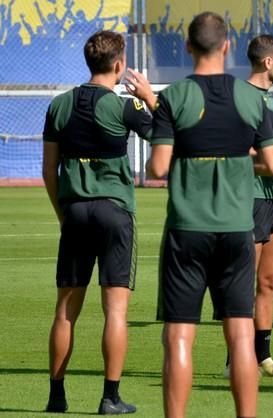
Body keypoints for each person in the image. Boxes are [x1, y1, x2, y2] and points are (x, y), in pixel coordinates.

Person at [127, 12, 273, 418]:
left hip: (187, 230)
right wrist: (234, 157)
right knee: (241, 333)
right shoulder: (251, 98)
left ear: (188, 47)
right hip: (236, 229)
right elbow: (271, 164)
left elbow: (157, 168)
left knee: (178, 335)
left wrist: (192, 153)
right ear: (227, 47)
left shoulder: (174, 96)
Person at [42, 30, 152, 414]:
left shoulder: (59, 105)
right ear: (119, 65)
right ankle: (110, 397)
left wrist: (63, 215)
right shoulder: (124, 107)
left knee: (65, 311)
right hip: (115, 212)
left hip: (74, 212)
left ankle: (56, 397)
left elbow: (48, 171)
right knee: (116, 311)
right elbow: (163, 136)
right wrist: (148, 98)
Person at [223, 34, 273, 379]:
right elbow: (237, 145)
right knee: (242, 284)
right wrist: (270, 161)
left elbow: (269, 144)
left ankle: (264, 357)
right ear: (268, 62)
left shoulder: (268, 101)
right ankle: (234, 360)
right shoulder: (239, 96)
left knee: (269, 280)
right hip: (249, 199)